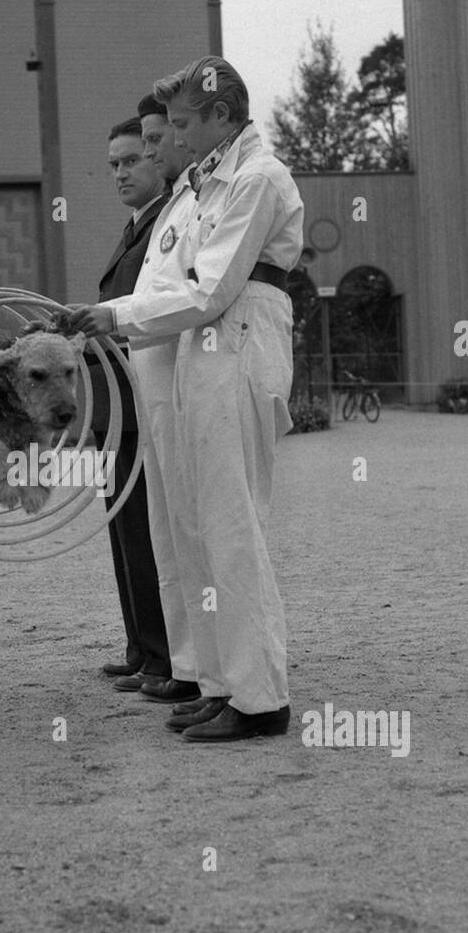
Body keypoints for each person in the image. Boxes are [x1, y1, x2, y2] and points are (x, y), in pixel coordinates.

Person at [59, 56, 303, 742]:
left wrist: (113, 316)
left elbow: (211, 288)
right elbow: (184, 286)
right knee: (195, 525)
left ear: (225, 116)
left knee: (231, 525)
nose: (175, 136)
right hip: (200, 349)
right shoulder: (204, 186)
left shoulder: (255, 179)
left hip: (238, 338)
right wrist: (118, 316)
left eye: (188, 123)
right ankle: (222, 680)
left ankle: (260, 696)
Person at [91, 117, 172, 687]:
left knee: (145, 529)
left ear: (156, 158)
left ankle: (165, 654)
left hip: (140, 401)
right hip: (112, 404)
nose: (119, 172)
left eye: (129, 161)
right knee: (123, 526)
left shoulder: (164, 228)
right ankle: (142, 646)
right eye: (113, 164)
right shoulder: (135, 228)